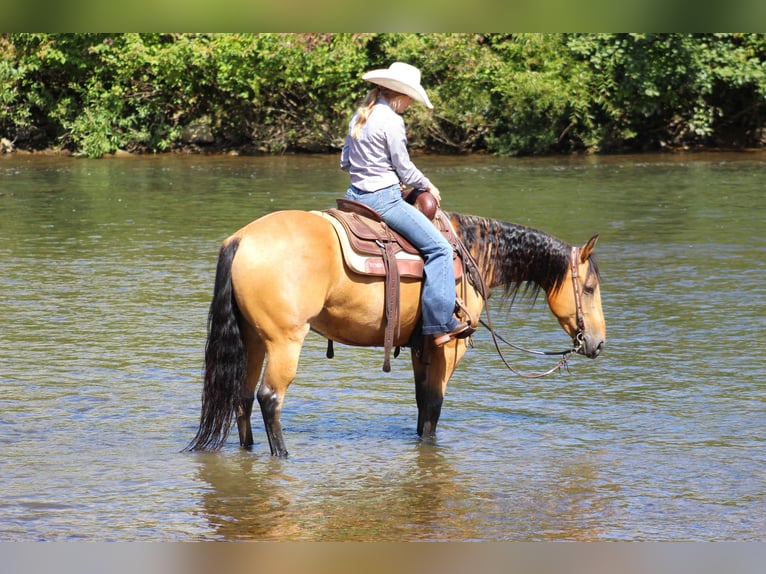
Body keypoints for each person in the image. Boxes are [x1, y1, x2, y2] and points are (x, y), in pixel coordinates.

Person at [340, 62, 473, 347]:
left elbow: (345, 163)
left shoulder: (359, 116)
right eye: (411, 97)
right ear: (400, 94)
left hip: (353, 198)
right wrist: (427, 185)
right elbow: (404, 168)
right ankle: (440, 323)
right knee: (440, 248)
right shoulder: (392, 121)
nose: (411, 103)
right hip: (383, 200)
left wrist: (376, 170)